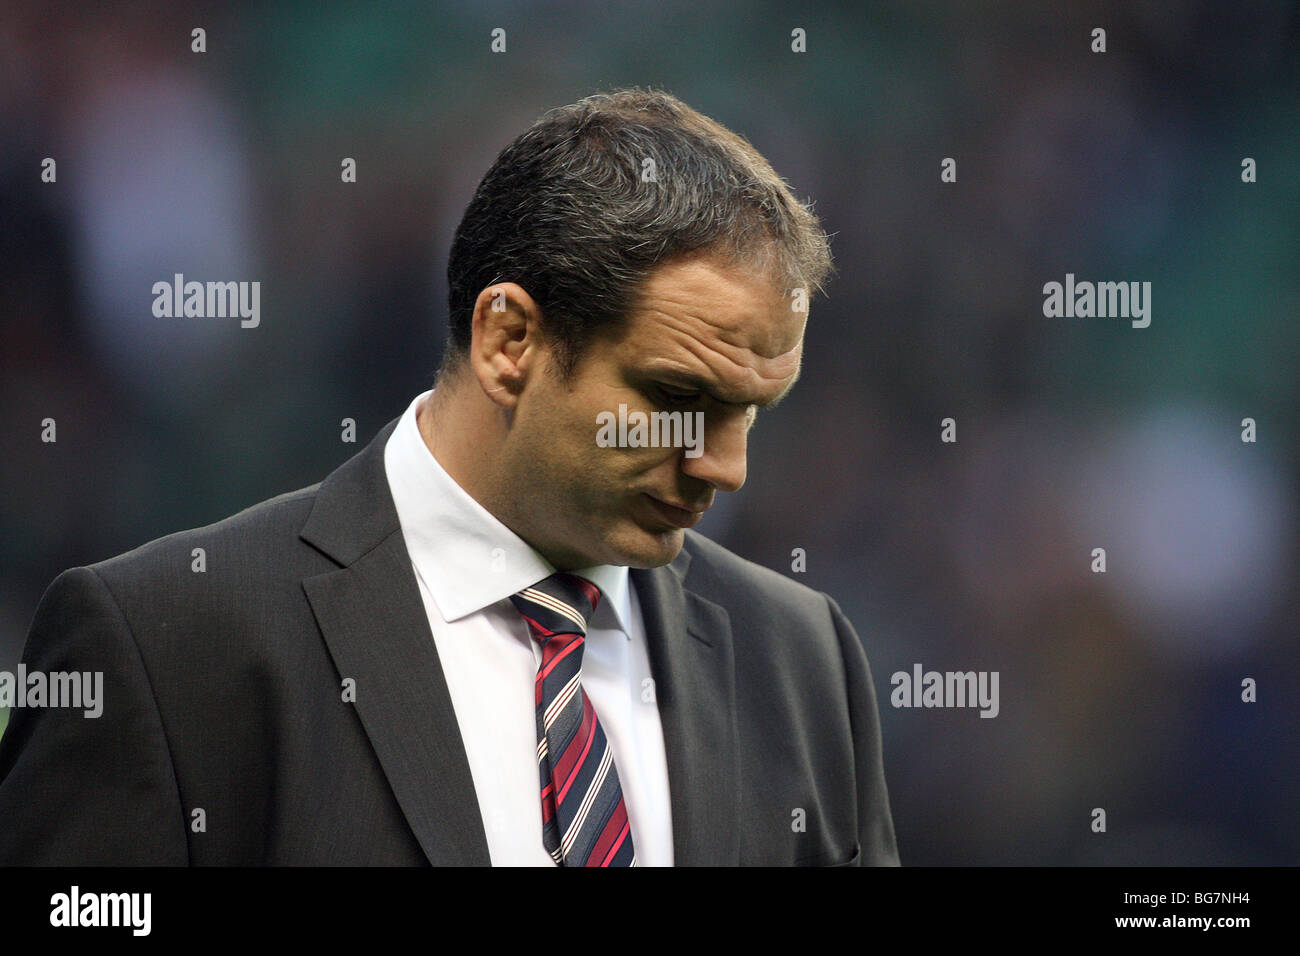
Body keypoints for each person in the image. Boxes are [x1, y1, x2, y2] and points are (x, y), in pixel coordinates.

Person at [0, 89, 899, 866]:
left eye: (751, 413)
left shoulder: (803, 661)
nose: (726, 468)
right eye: (676, 397)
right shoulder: (169, 649)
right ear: (509, 343)